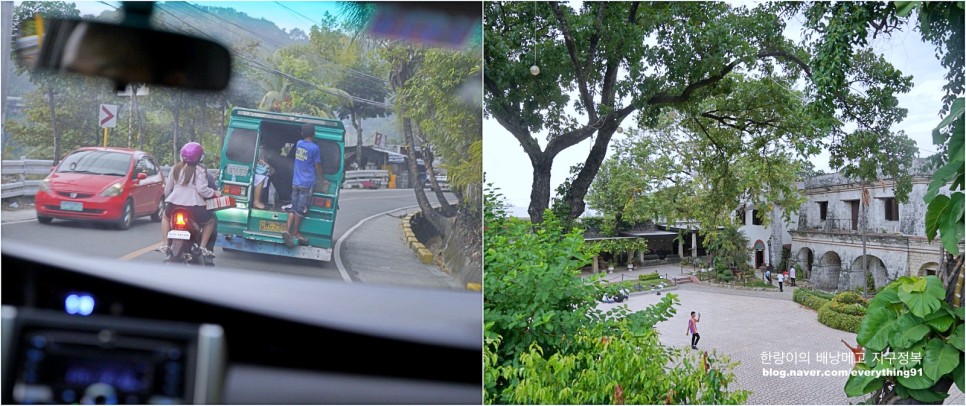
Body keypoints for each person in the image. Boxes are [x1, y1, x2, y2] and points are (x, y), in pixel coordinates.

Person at [159, 142, 220, 263]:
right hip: (194, 206)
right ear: (200, 157)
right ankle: (203, 247)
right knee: (210, 221)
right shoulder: (200, 170)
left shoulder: (175, 168)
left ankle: (166, 245)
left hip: (174, 204)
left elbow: (167, 189)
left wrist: (169, 199)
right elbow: (202, 190)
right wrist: (214, 193)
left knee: (165, 218)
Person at [282, 123, 323, 247]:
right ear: (314, 134)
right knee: (300, 210)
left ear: (302, 134)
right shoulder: (315, 148)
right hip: (307, 183)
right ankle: (295, 232)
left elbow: (286, 152)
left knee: (293, 207)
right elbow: (317, 165)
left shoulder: (299, 144)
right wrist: (321, 178)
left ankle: (287, 230)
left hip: (296, 182)